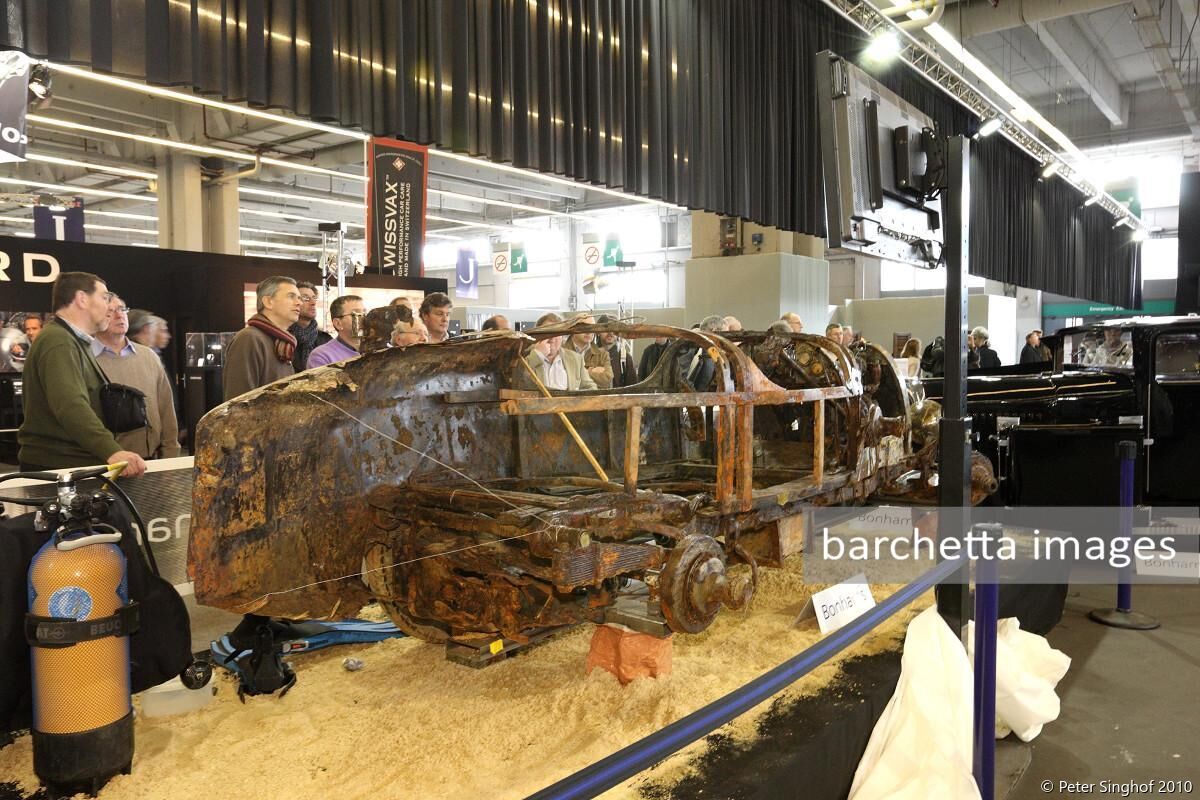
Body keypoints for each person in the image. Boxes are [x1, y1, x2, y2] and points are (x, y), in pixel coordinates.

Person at [17, 271, 147, 476]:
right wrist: (112, 451)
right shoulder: (58, 341)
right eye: (104, 297)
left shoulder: (72, 341)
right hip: (58, 466)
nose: (109, 307)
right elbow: (70, 405)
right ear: (82, 299)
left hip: (68, 462)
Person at [93, 294, 181, 460]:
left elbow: (166, 409)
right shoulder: (84, 358)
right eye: (110, 311)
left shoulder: (148, 356)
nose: (119, 315)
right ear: (96, 318)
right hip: (105, 463)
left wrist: (171, 453)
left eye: (122, 309)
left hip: (151, 461)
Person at [223, 276, 302, 401]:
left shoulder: (283, 344)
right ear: (268, 302)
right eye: (291, 296)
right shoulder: (249, 339)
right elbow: (239, 402)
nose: (299, 303)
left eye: (299, 298)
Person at [525, 312, 597, 391]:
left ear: (562, 336)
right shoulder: (525, 355)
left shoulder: (575, 359)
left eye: (557, 333)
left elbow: (591, 388)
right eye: (546, 332)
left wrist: (576, 397)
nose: (551, 338)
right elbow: (519, 380)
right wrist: (538, 355)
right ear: (537, 335)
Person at [307, 295, 365, 368]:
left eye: (364, 313)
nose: (363, 318)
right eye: (356, 314)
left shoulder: (374, 350)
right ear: (338, 323)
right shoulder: (321, 356)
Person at [289, 281, 332, 371]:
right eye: (306, 298)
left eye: (314, 298)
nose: (313, 303)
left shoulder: (326, 340)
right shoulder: (282, 338)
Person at [567, 313, 613, 388]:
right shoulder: (561, 351)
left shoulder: (603, 354)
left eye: (592, 328)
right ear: (573, 328)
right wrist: (590, 371)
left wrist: (576, 373)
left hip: (594, 398)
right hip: (568, 399)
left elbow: (607, 379)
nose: (588, 332)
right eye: (584, 327)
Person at [686, 315, 728, 390]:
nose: (725, 339)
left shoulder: (714, 351)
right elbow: (682, 379)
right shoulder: (690, 349)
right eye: (725, 333)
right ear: (714, 330)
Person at [596, 314, 637, 387]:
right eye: (606, 328)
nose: (610, 333)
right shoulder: (588, 356)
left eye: (614, 329)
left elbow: (632, 391)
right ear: (598, 332)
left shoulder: (625, 359)